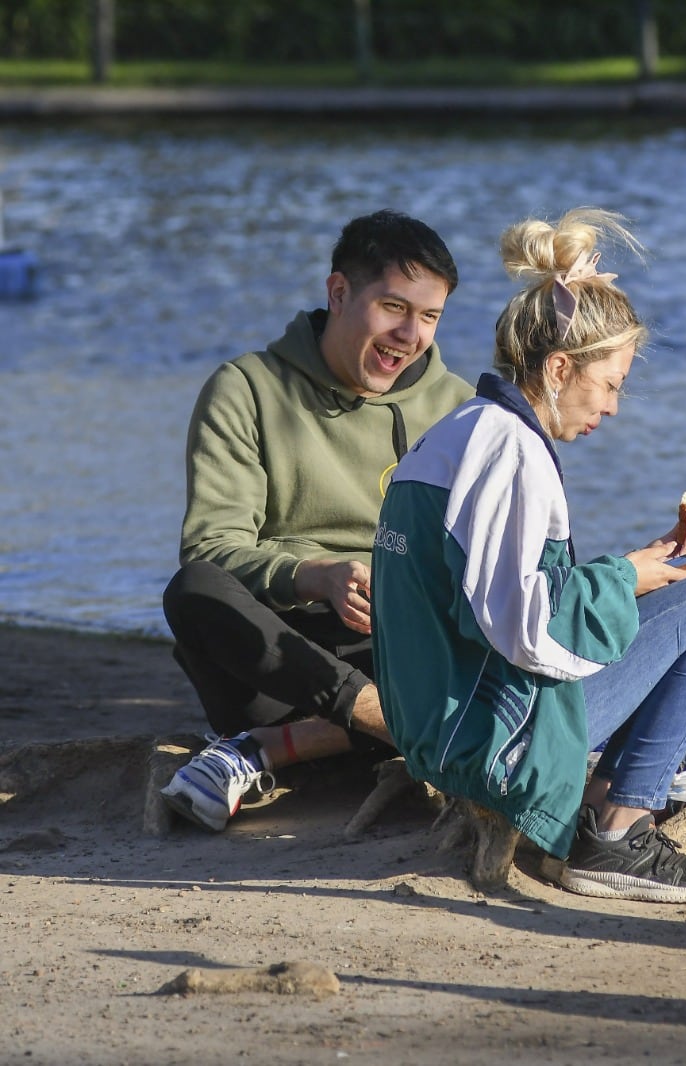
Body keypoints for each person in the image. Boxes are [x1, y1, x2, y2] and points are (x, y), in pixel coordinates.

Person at [371, 208, 686, 905]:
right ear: (557, 368)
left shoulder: (461, 430)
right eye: (609, 384)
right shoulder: (514, 452)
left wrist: (636, 572)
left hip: (440, 723)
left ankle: (597, 811)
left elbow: (495, 600)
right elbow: (528, 628)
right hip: (484, 743)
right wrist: (624, 576)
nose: (612, 407)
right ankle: (618, 831)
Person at [159, 210, 475, 832]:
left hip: (400, 648)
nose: (411, 334)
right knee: (192, 590)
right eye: (393, 307)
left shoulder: (460, 409)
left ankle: (274, 749)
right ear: (338, 292)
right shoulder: (245, 388)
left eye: (430, 317)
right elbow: (212, 546)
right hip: (282, 659)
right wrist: (313, 576)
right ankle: (385, 721)